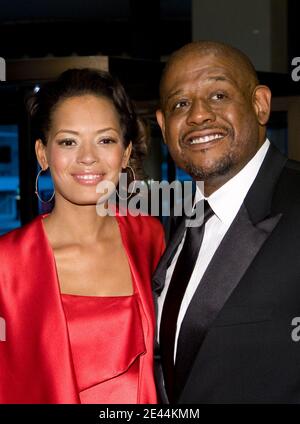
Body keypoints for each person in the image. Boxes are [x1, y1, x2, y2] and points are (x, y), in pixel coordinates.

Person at [0, 68, 165, 403]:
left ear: (126, 154)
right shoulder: (6, 264)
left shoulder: (148, 235)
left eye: (105, 140)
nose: (88, 157)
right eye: (68, 141)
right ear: (43, 153)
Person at [153, 40, 300, 403]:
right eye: (180, 104)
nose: (198, 115)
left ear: (260, 104)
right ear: (162, 124)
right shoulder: (177, 220)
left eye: (218, 95)